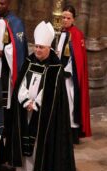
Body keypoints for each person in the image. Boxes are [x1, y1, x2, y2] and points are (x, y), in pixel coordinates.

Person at [8, 21, 76, 171]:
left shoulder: (55, 67)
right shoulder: (29, 61)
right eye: (36, 46)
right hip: (26, 109)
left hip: (42, 112)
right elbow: (21, 84)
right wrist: (25, 101)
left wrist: (36, 104)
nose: (37, 50)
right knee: (25, 136)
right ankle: (23, 170)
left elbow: (51, 92)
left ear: (49, 48)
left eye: (41, 47)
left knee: (39, 140)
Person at [0, 0, 28, 170]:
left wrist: (3, 53)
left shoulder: (16, 23)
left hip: (5, 75)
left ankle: (4, 155)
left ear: (8, 4)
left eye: (2, 3)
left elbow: (19, 50)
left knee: (5, 114)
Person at [56, 5, 91, 143]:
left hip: (69, 79)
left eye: (68, 18)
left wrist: (67, 70)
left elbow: (78, 60)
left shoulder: (76, 34)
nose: (65, 20)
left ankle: (71, 134)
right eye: (63, 17)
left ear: (73, 19)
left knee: (70, 104)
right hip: (58, 75)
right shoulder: (59, 32)